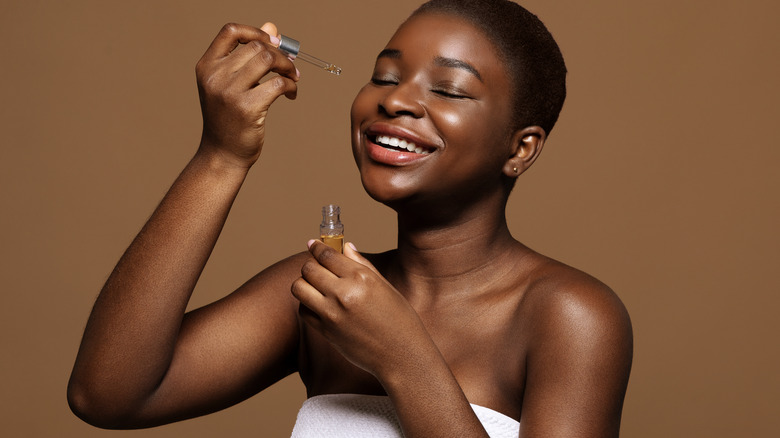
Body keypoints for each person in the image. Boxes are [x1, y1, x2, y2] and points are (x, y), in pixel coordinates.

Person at [67, 0, 633, 436]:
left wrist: (402, 357)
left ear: (521, 148)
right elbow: (108, 394)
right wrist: (221, 156)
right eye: (384, 77)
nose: (395, 100)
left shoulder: (569, 316)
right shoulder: (320, 292)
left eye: (448, 89)